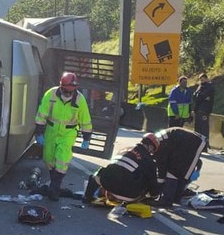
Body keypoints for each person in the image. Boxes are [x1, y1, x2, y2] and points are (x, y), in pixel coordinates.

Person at [34, 71, 93, 201]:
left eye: (72, 90)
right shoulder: (51, 94)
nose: (69, 93)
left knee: (62, 159)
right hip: (51, 130)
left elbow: (85, 119)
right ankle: (54, 185)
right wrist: (39, 132)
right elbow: (42, 113)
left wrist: (86, 137)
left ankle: (54, 189)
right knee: (48, 158)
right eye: (67, 89)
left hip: (68, 133)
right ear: (61, 86)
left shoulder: (80, 99)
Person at [84, 133, 160, 203]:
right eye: (152, 151)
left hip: (108, 186)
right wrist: (155, 196)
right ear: (151, 147)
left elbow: (111, 168)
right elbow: (152, 183)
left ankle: (87, 197)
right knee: (146, 179)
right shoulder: (149, 161)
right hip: (129, 195)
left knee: (99, 172)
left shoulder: (125, 150)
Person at [149, 127, 207, 206]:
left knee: (174, 171)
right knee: (179, 171)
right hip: (192, 140)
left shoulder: (160, 146)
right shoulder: (159, 139)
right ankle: (175, 197)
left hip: (193, 142)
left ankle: (167, 200)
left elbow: (161, 167)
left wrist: (158, 187)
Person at [191, 72, 215, 147]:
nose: (202, 81)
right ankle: (197, 143)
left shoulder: (209, 87)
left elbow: (201, 96)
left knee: (204, 128)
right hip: (198, 110)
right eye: (201, 80)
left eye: (203, 79)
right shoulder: (200, 87)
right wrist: (201, 97)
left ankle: (205, 144)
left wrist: (200, 97)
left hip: (205, 110)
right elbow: (195, 97)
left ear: (207, 79)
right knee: (197, 128)